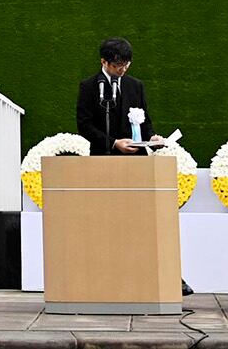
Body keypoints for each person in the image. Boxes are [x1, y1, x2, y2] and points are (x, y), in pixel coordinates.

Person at [76, 38, 193, 296]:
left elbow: (146, 122)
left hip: (136, 165)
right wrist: (113, 142)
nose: (123, 70)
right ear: (104, 62)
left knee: (140, 220)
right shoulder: (89, 87)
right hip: (104, 163)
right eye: (118, 65)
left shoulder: (135, 86)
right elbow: (84, 125)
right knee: (106, 221)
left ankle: (157, 276)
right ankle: (105, 277)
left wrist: (152, 139)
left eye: (126, 64)